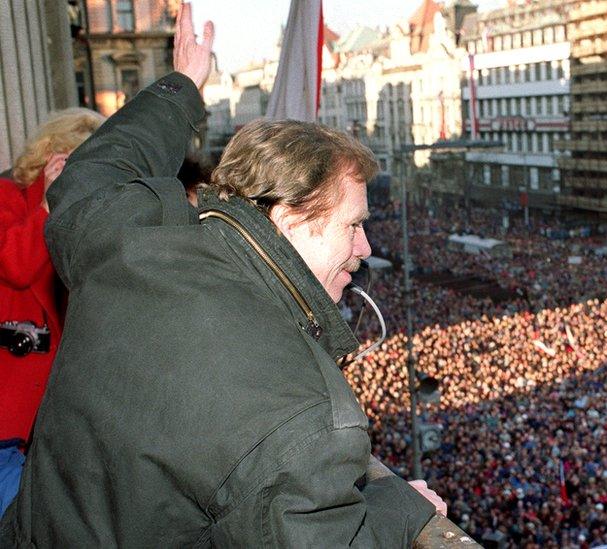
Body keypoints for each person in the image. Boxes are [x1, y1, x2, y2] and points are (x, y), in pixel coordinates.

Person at [2, 4, 442, 546]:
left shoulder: (131, 246)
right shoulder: (305, 412)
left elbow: (92, 173)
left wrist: (183, 85)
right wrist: (403, 508)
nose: (365, 247)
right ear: (289, 217)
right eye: (353, 224)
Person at [0, 107, 105, 514]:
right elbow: (17, 265)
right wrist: (47, 202)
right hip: (9, 416)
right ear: (54, 157)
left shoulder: (78, 217)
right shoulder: (8, 198)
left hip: (49, 422)